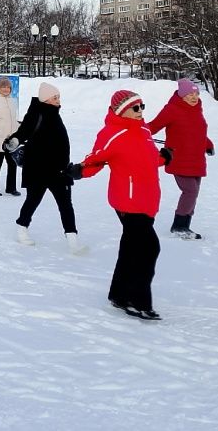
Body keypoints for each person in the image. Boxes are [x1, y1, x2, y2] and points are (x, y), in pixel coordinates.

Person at [73, 89, 169, 320]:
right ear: (121, 110)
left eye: (142, 106)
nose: (140, 112)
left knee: (131, 248)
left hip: (147, 199)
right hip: (128, 200)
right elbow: (95, 160)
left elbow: (146, 159)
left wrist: (164, 158)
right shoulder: (111, 133)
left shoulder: (144, 130)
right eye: (135, 108)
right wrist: (78, 171)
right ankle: (138, 302)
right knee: (148, 249)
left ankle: (118, 294)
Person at [7, 82, 86, 253]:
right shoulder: (36, 113)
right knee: (33, 201)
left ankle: (73, 241)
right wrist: (14, 141)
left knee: (66, 205)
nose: (58, 100)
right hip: (38, 168)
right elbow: (24, 131)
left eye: (58, 97)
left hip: (59, 170)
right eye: (55, 97)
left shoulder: (54, 113)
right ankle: (21, 229)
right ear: (45, 99)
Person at [146, 78, 215, 240]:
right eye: (189, 94)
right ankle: (179, 226)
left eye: (196, 93)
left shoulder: (197, 109)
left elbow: (198, 132)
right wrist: (135, 131)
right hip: (178, 157)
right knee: (189, 191)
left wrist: (208, 144)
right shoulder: (172, 109)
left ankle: (185, 224)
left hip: (196, 159)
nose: (194, 97)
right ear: (181, 95)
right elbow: (154, 126)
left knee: (193, 192)